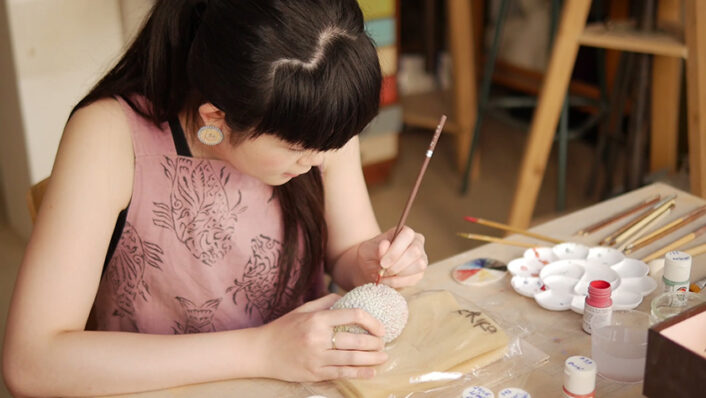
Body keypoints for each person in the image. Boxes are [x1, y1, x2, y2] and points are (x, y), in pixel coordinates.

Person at [2, 0, 429, 396]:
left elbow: (346, 257)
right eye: (299, 149)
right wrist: (262, 351)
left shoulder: (319, 124)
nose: (321, 159)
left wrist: (370, 261)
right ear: (215, 118)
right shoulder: (110, 136)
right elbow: (30, 363)